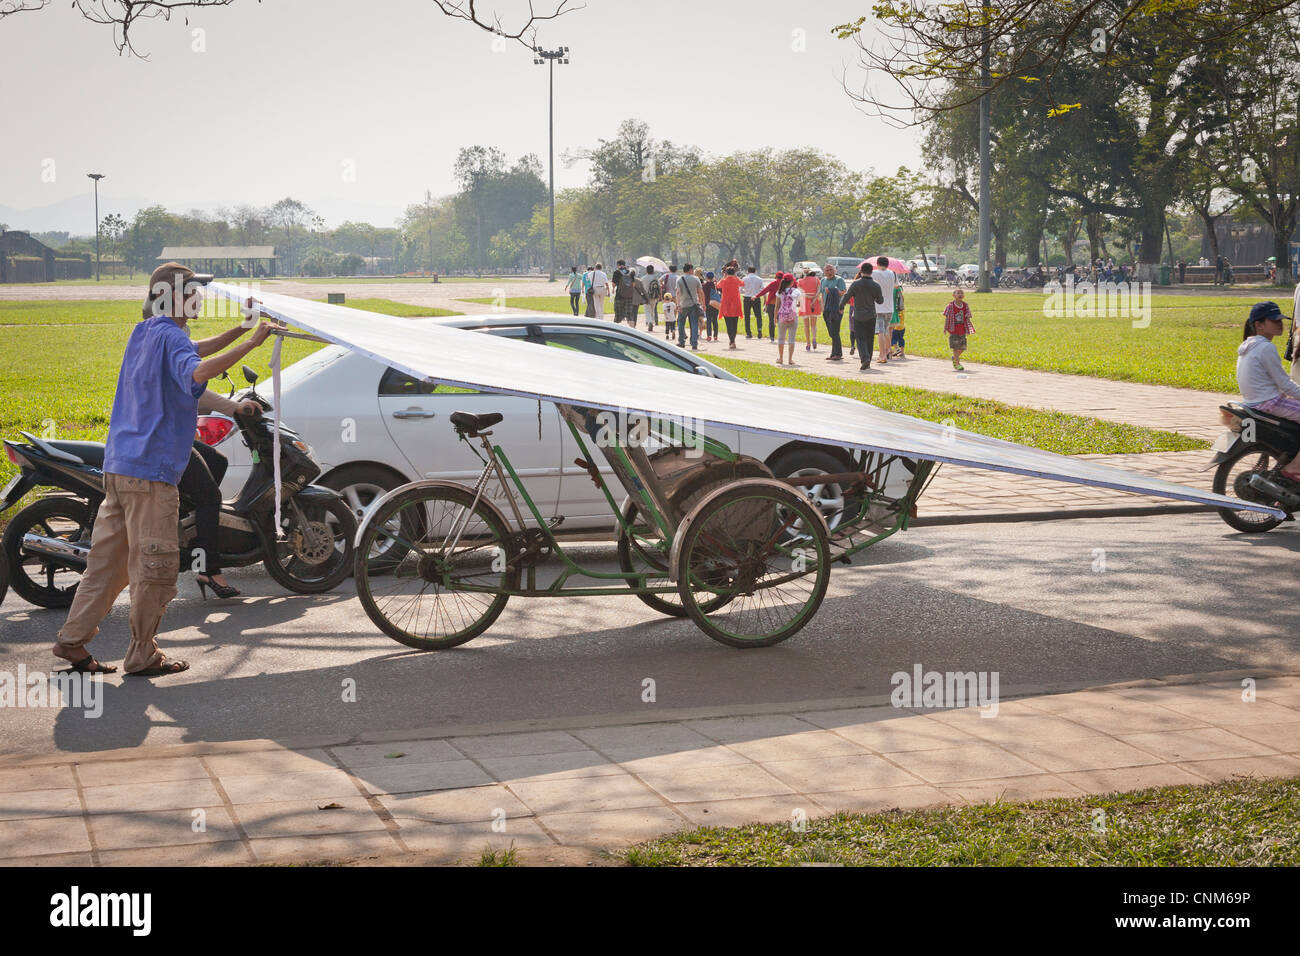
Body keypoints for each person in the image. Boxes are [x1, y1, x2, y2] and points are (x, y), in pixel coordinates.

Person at [54, 262, 275, 676]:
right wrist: (253, 343)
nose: (200, 298)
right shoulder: (172, 338)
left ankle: (72, 643)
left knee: (107, 566)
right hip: (152, 476)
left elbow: (195, 356)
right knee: (155, 568)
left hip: (119, 469)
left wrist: (242, 331)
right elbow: (196, 370)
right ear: (173, 297)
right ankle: (143, 654)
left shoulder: (147, 333)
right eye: (193, 290)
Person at [184, 389, 261, 599]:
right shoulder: (176, 355)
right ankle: (208, 569)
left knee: (218, 461)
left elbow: (195, 391)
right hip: (169, 441)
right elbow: (196, 386)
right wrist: (234, 407)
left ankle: (192, 529)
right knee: (210, 498)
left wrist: (228, 403)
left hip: (175, 436)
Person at [1238, 302, 1300, 480]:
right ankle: (1295, 468)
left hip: (1254, 402)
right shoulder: (1266, 347)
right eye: (1274, 321)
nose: (1280, 324)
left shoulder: (1248, 346)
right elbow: (1285, 384)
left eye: (1280, 320)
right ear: (1259, 325)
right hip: (1270, 403)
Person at [842, 261, 883, 372]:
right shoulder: (876, 285)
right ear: (871, 272)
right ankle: (868, 359)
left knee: (860, 338)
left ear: (861, 271)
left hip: (858, 315)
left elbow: (847, 296)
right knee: (870, 338)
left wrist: (841, 306)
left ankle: (864, 358)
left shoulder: (856, 284)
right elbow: (880, 301)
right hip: (871, 315)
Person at [819, 263, 847, 361]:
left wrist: (832, 291)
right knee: (831, 333)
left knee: (835, 331)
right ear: (824, 272)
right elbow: (822, 295)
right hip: (826, 309)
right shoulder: (823, 280)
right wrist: (822, 308)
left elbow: (843, 292)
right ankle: (833, 353)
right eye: (827, 270)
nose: (829, 272)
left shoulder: (839, 280)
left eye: (831, 270)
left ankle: (837, 354)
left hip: (836, 309)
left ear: (835, 270)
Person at [944, 286, 975, 371]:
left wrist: (968, 328)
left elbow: (968, 317)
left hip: (962, 328)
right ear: (953, 295)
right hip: (953, 328)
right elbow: (947, 317)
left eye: (962, 293)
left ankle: (955, 358)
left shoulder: (965, 305)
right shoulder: (950, 306)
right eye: (958, 293)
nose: (960, 294)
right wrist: (945, 328)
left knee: (962, 347)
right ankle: (957, 363)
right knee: (955, 346)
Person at [675, 263, 705, 350]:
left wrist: (678, 304)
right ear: (690, 270)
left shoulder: (679, 279)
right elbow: (700, 292)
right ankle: (694, 343)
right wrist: (703, 304)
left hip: (683, 305)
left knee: (681, 324)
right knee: (694, 323)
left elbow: (678, 292)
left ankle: (681, 342)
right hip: (694, 304)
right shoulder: (696, 279)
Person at [873, 256, 896, 364]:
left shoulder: (875, 273)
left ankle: (882, 355)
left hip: (878, 307)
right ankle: (889, 351)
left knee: (880, 332)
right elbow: (896, 286)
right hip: (890, 307)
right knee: (886, 330)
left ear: (877, 264)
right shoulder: (892, 273)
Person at [775, 274, 801, 365]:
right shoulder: (796, 291)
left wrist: (775, 318)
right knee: (791, 339)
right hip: (793, 316)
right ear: (792, 282)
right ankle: (790, 359)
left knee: (781, 338)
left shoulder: (779, 292)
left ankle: (781, 358)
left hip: (782, 317)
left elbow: (777, 306)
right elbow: (800, 303)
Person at [718, 265, 744, 348]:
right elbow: (742, 283)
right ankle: (732, 341)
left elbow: (718, 286)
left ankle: (732, 341)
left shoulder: (724, 281)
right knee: (734, 323)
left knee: (728, 324)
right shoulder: (736, 280)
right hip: (736, 304)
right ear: (734, 272)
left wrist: (724, 276)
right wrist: (735, 276)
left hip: (726, 304)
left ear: (726, 273)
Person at [755, 272, 785, 341]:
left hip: (771, 304)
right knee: (781, 321)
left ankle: (772, 337)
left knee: (771, 320)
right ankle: (781, 337)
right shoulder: (784, 284)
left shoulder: (773, 283)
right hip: (781, 304)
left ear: (776, 276)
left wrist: (756, 296)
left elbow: (765, 291)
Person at [798, 269, 821, 352]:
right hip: (815, 302)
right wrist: (814, 299)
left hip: (804, 302)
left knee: (806, 325)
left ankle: (808, 343)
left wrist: (808, 297)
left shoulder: (800, 281)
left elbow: (800, 293)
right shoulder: (816, 280)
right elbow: (819, 291)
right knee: (814, 325)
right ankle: (814, 338)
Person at [611, 259, 637, 326]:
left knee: (618, 314)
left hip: (619, 296)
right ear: (625, 265)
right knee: (629, 313)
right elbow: (634, 284)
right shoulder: (630, 272)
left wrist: (614, 288)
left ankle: (616, 330)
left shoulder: (616, 272)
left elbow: (613, 284)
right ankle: (632, 328)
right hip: (629, 296)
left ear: (618, 265)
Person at [741, 266, 764, 339]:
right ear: (755, 271)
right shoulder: (759, 279)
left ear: (748, 271)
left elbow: (740, 289)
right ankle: (759, 329)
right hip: (756, 297)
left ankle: (749, 333)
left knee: (747, 316)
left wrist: (746, 291)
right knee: (758, 316)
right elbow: (762, 289)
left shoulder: (744, 279)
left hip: (747, 297)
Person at [641, 265, 661, 331]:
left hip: (646, 296)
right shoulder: (655, 277)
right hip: (654, 296)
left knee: (647, 310)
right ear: (653, 270)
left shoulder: (643, 278)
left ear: (646, 270)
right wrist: (660, 295)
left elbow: (641, 288)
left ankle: (649, 322)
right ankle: (652, 322)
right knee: (652, 310)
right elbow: (659, 287)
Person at [702, 271, 720, 342]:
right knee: (715, 320)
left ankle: (709, 336)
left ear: (706, 277)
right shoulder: (716, 285)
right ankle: (715, 336)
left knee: (708, 320)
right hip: (715, 304)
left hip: (708, 304)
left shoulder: (704, 286)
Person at [889, 282, 906, 358]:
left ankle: (896, 349)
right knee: (901, 339)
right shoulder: (902, 309)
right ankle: (902, 352)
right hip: (902, 327)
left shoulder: (897, 311)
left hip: (896, 328)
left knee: (893, 339)